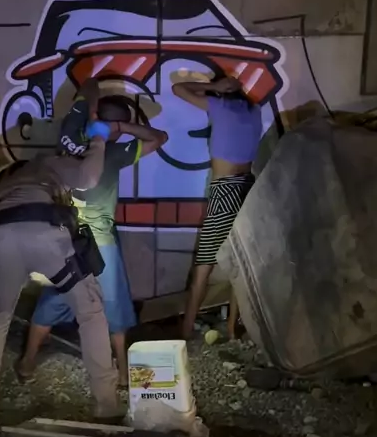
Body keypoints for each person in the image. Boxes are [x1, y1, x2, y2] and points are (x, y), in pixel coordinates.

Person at [0, 109, 121, 429]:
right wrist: (98, 139)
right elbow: (89, 178)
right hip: (44, 233)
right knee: (90, 312)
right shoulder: (48, 164)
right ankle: (107, 405)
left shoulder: (2, 186)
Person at [18, 96, 168, 386]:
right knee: (114, 307)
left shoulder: (69, 146)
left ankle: (27, 362)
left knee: (54, 299)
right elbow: (159, 137)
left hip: (66, 240)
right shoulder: (114, 153)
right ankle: (122, 372)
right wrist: (120, 127)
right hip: (100, 244)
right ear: (115, 126)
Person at [172, 74, 262, 340]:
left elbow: (178, 89)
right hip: (248, 187)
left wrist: (212, 87)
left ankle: (185, 332)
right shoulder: (254, 110)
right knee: (240, 263)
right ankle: (233, 328)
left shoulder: (220, 106)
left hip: (225, 190)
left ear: (222, 91)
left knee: (203, 266)